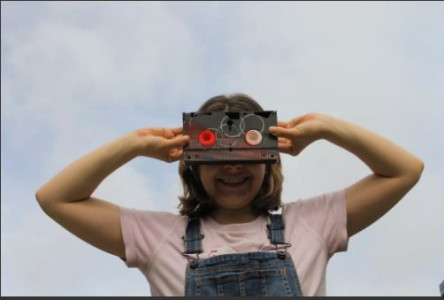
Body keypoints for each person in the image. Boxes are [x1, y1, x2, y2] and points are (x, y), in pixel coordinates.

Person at [35, 93, 424, 296]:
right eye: (217, 155)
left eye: (247, 154)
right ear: (194, 164)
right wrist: (133, 145)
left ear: (269, 159)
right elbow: (55, 198)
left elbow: (405, 170)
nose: (233, 166)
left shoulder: (313, 224)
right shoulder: (156, 238)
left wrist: (325, 128)